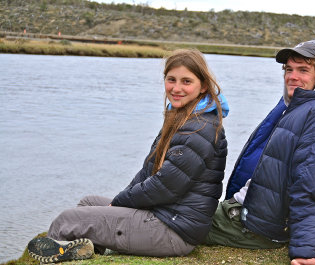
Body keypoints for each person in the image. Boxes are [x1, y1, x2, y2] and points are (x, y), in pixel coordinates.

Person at [27, 49, 229, 263]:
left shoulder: (199, 129)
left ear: (203, 86)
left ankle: (57, 256)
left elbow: (165, 186)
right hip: (166, 215)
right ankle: (89, 250)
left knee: (66, 221)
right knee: (88, 203)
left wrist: (120, 203)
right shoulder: (183, 116)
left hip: (174, 230)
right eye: (171, 80)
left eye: (186, 81)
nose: (176, 88)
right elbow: (148, 172)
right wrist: (120, 202)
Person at [205, 40, 315, 265]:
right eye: (289, 69)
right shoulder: (295, 108)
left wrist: (305, 251)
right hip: (251, 211)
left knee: (180, 220)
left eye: (303, 70)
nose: (292, 76)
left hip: (259, 226)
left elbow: (312, 185)